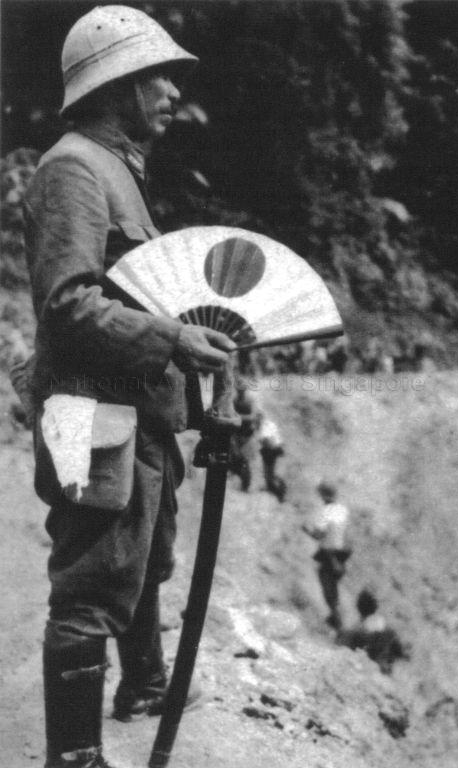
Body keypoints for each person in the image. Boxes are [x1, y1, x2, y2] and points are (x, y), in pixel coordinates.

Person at [24, 7, 236, 768]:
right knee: (90, 580)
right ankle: (74, 757)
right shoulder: (74, 168)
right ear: (117, 86)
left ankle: (143, 683)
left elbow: (139, 293)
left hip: (130, 405)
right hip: (89, 410)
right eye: (161, 77)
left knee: (142, 555)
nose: (175, 92)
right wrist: (175, 338)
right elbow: (68, 302)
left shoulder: (117, 170)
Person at [302, 480, 351, 630]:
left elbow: (318, 535)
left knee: (326, 584)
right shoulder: (343, 509)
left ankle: (336, 618)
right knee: (334, 584)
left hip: (328, 552)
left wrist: (306, 530)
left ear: (322, 495)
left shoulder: (325, 511)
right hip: (342, 552)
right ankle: (335, 614)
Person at [337, 589, 409, 674]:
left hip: (372, 649)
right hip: (382, 647)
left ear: (360, 608)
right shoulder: (380, 619)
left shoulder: (364, 624)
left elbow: (360, 636)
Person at [228, 379, 260, 492]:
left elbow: (253, 416)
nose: (240, 392)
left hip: (247, 434)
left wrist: (238, 418)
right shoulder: (235, 400)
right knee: (235, 458)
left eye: (242, 390)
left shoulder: (250, 400)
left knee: (245, 460)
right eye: (238, 390)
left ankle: (246, 485)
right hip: (237, 433)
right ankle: (237, 483)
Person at [258, 415, 286, 502]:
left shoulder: (265, 427)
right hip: (273, 450)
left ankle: (279, 494)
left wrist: (264, 444)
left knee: (269, 473)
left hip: (270, 451)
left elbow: (266, 441)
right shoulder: (270, 424)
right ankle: (275, 489)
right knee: (269, 472)